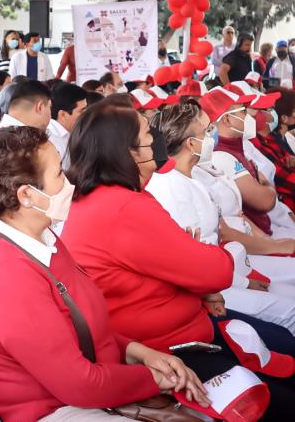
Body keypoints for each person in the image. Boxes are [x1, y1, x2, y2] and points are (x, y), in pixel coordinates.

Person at [0, 125, 208, 421]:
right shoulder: (4, 273)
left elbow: (79, 324)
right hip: (43, 411)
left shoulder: (37, 233)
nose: (68, 180)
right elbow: (80, 385)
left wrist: (139, 352)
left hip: (79, 388)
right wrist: (154, 380)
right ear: (26, 195)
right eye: (58, 174)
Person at [62, 101, 295, 419]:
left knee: (281, 344)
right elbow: (213, 270)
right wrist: (207, 267)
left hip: (183, 327)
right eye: (147, 135)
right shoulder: (123, 207)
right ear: (128, 152)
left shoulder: (101, 197)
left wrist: (201, 273)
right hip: (172, 348)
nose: (156, 141)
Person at [148, 100, 295, 335]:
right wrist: (239, 284)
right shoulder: (171, 187)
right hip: (209, 289)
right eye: (207, 132)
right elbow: (194, 256)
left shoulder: (193, 174)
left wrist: (242, 280)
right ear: (191, 144)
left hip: (226, 272)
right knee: (290, 311)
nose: (212, 136)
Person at [205, 87, 277, 236]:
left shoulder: (237, 148)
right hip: (252, 245)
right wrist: (269, 186)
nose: (249, 117)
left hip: (261, 236)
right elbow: (265, 200)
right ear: (227, 119)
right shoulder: (221, 155)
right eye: (243, 111)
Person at [48, 83, 87, 169]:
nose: (86, 115)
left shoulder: (73, 132)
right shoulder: (50, 141)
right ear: (63, 114)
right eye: (82, 111)